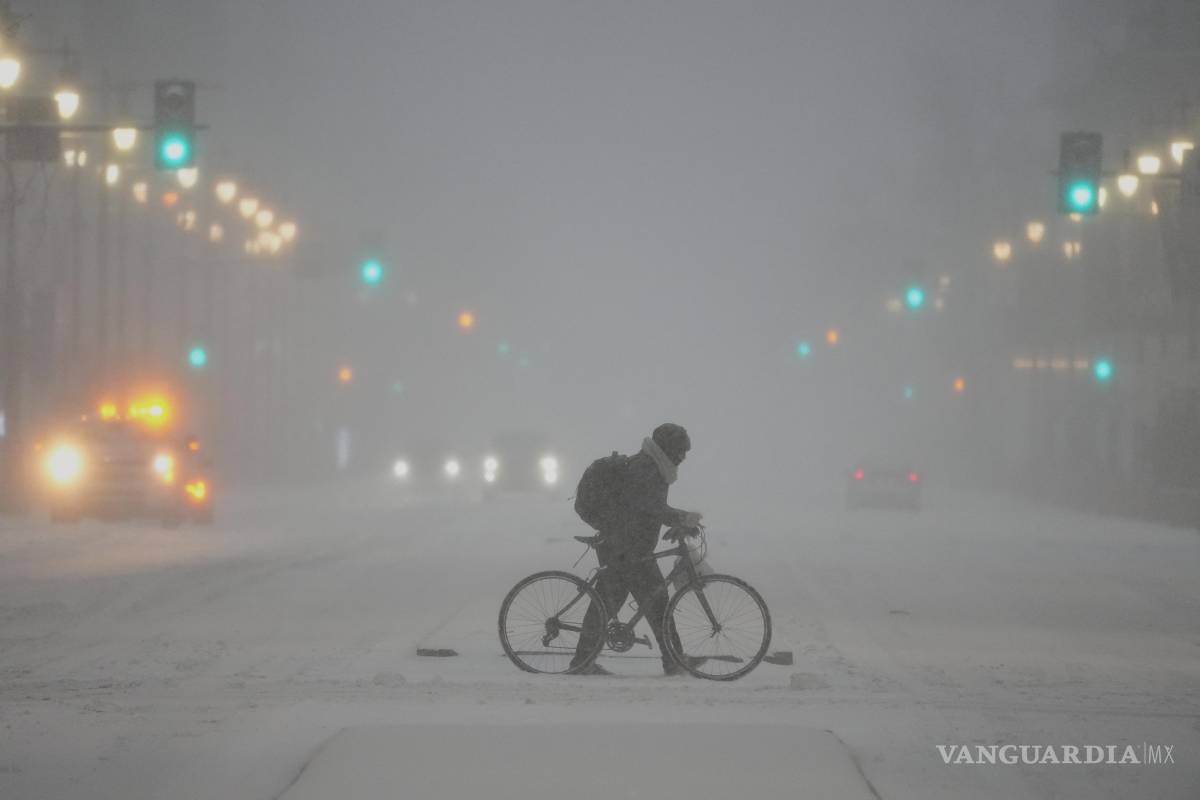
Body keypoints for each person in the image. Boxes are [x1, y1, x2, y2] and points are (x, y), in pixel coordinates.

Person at [570, 423, 703, 676]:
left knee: (615, 605)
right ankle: (674, 661)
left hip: (628, 546)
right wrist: (681, 518)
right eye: (680, 451)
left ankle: (582, 661)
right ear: (668, 449)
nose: (683, 457)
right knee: (653, 604)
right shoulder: (647, 469)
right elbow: (648, 506)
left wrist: (676, 522)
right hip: (626, 549)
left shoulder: (654, 467)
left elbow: (648, 509)